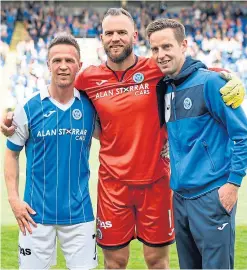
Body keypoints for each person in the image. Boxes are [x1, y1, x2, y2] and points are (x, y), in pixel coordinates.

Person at [1, 8, 245, 270]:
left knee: (156, 261)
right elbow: (57, 88)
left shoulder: (155, 67)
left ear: (134, 35)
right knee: (115, 263)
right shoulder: (87, 77)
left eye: (121, 32)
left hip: (156, 182)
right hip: (112, 186)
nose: (115, 38)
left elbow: (190, 70)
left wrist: (228, 77)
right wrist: (12, 115)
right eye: (109, 33)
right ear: (101, 37)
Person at [146, 18, 247, 269]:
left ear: (184, 45)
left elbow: (242, 134)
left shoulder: (211, 83)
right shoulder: (166, 88)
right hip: (180, 198)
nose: (161, 54)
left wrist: (233, 183)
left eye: (167, 47)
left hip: (211, 195)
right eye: (155, 49)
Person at [4, 33, 98, 269]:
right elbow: (11, 153)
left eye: (69, 60)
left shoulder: (91, 108)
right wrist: (14, 200)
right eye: (57, 61)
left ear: (80, 65)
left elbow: (115, 137)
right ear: (48, 65)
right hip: (34, 217)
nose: (63, 66)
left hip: (80, 216)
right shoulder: (28, 108)